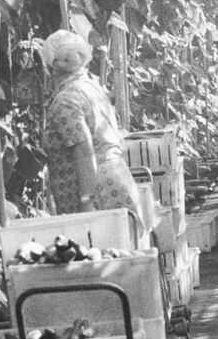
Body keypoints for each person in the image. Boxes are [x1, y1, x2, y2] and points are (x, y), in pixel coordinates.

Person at [40, 30, 156, 234]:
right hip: (116, 178)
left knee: (102, 252)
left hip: (96, 191)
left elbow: (84, 151)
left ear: (54, 65)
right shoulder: (92, 87)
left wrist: (87, 201)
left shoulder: (65, 101)